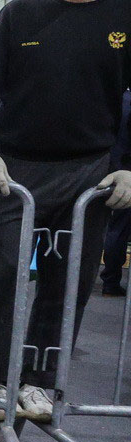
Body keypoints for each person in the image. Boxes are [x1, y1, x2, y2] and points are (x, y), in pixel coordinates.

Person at [0, 0, 131, 423]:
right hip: (13, 170)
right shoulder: (19, 14)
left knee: (69, 282)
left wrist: (129, 166)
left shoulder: (126, 14)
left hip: (90, 171)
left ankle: (40, 384)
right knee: (6, 271)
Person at [100, 90, 131, 297]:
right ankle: (110, 282)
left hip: (106, 169)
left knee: (113, 229)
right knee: (118, 229)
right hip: (126, 173)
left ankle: (109, 281)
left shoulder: (114, 98)